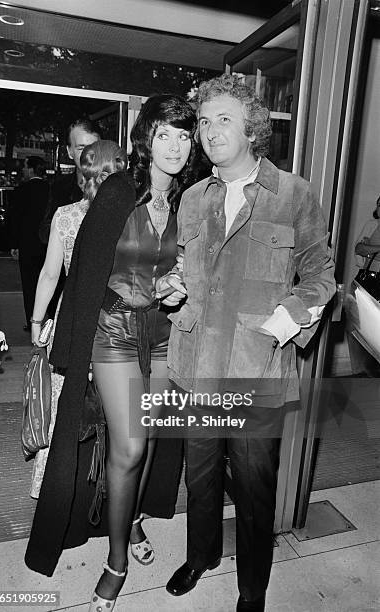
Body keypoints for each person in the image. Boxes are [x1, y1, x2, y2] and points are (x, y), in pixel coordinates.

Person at [156, 74, 336, 612]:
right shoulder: (192, 199)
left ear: (252, 128)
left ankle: (252, 588)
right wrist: (174, 286)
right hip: (196, 368)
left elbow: (321, 275)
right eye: (204, 122)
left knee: (256, 490)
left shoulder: (293, 194)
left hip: (256, 371)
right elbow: (188, 272)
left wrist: (284, 322)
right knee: (202, 477)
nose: (210, 131)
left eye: (223, 119)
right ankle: (202, 554)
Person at [24, 94, 199, 608]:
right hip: (115, 331)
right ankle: (115, 560)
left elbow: (194, 262)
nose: (174, 145)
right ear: (146, 137)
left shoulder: (189, 198)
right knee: (130, 447)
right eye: (164, 133)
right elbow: (90, 279)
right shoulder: (121, 190)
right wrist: (154, 286)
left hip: (165, 335)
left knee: (152, 439)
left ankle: (135, 522)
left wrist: (185, 279)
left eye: (184, 136)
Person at [29, 140, 127, 499]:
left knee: (66, 411)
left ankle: (58, 489)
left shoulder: (66, 216)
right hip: (116, 320)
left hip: (72, 319)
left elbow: (50, 275)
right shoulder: (130, 217)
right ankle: (109, 491)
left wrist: (38, 324)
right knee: (114, 412)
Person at [39, 118, 101, 319]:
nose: (89, 153)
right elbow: (43, 232)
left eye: (94, 145)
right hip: (66, 291)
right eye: (81, 147)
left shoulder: (116, 188)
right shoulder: (59, 187)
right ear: (69, 151)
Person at [10, 156, 49, 330]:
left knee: (29, 284)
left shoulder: (21, 191)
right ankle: (50, 319)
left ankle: (33, 321)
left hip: (27, 245)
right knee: (49, 281)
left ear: (32, 169)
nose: (23, 170)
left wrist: (14, 244)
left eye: (25, 167)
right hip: (48, 244)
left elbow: (15, 220)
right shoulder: (51, 189)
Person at [345, 194, 380, 376]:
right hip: (366, 279)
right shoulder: (371, 225)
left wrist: (370, 248)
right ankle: (360, 372)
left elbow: (364, 248)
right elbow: (359, 249)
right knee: (356, 327)